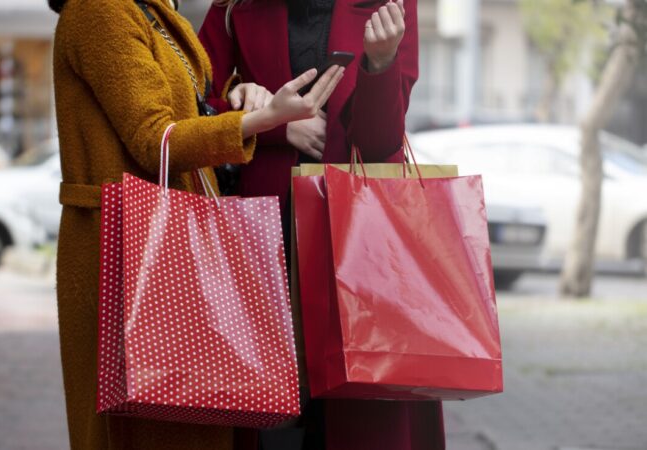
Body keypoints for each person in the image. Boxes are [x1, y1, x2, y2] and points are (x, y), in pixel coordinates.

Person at [47, 0, 344, 449]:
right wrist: (264, 120)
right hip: (128, 249)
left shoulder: (150, 10)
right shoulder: (101, 9)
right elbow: (155, 138)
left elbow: (186, 110)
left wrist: (239, 96)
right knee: (147, 424)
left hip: (159, 238)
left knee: (181, 414)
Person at [199, 0, 446, 448]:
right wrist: (272, 125)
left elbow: (380, 143)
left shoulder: (389, 5)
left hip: (360, 239)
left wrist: (381, 62)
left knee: (359, 416)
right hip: (264, 235)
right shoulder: (236, 5)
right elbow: (196, 103)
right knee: (267, 413)